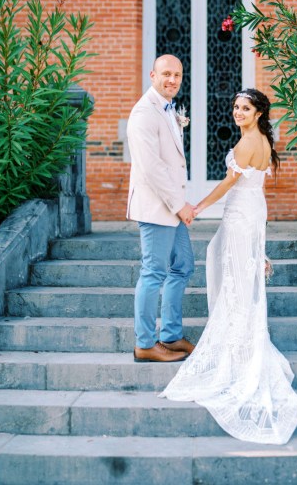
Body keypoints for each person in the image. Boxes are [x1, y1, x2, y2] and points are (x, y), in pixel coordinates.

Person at [160, 88, 297, 444]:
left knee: (235, 278)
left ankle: (239, 347)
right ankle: (240, 338)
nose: (238, 112)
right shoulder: (262, 142)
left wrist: (195, 206)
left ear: (258, 113)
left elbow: (228, 184)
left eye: (245, 108)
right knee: (237, 275)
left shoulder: (246, 145)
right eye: (236, 106)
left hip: (242, 217)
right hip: (252, 215)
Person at [126, 54, 195, 363]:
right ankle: (144, 342)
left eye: (177, 75)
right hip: (157, 208)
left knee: (182, 266)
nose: (172, 80)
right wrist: (180, 204)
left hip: (172, 208)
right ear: (152, 75)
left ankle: (170, 335)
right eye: (166, 74)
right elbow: (151, 168)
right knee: (153, 272)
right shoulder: (144, 112)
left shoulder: (169, 110)